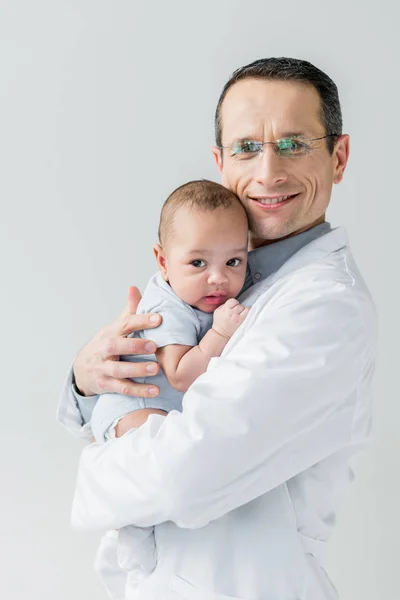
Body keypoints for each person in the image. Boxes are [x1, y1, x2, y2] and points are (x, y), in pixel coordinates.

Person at [58, 57, 377, 600]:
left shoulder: (324, 308)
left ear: (338, 156)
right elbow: (143, 408)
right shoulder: (222, 281)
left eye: (295, 144)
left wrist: (94, 472)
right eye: (247, 147)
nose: (268, 172)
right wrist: (85, 382)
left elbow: (182, 474)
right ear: (220, 161)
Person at [89, 179, 250, 591]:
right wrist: (221, 334)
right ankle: (130, 536)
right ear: (163, 260)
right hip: (132, 409)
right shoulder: (167, 307)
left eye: (234, 262)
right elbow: (179, 372)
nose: (218, 278)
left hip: (161, 407)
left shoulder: (200, 295)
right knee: (155, 460)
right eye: (198, 263)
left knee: (169, 462)